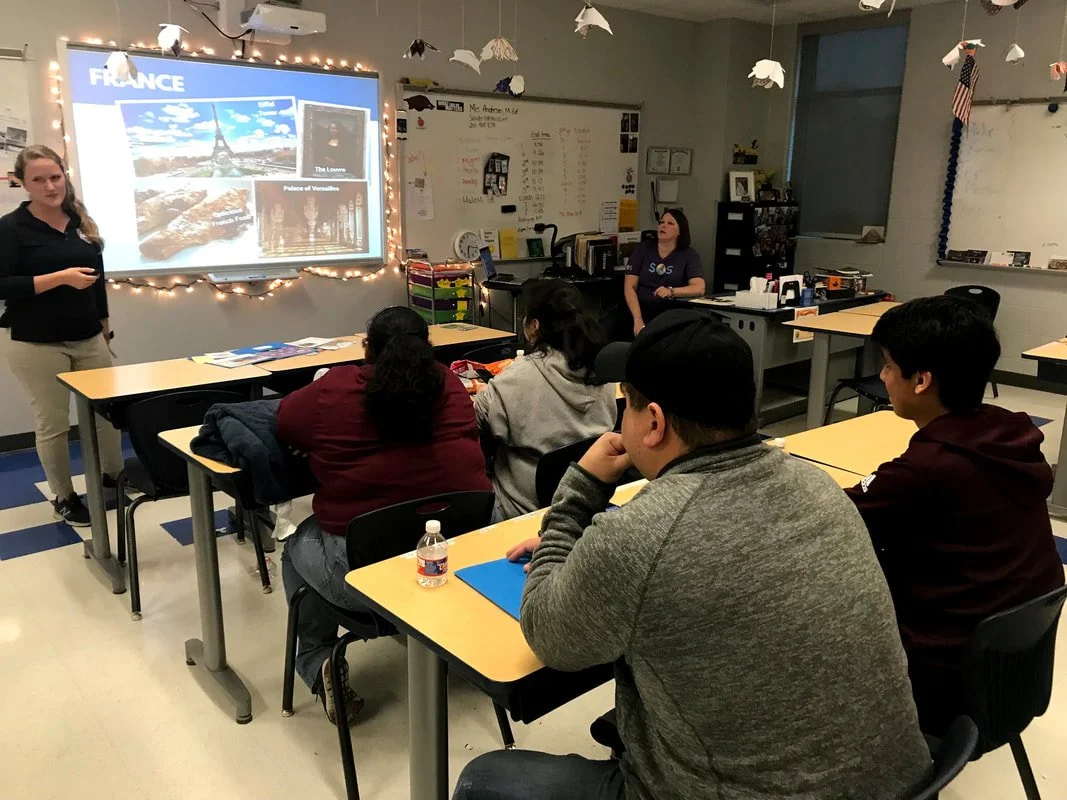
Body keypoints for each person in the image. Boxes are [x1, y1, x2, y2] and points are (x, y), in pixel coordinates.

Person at [455, 310, 930, 800]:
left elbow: (547, 632)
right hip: (902, 782)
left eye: (629, 406)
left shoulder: (641, 537)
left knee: (484, 778)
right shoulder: (819, 484)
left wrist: (580, 495)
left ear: (654, 422)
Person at [844, 295, 1064, 736]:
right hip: (1011, 681)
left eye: (888, 365)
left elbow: (834, 518)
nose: (883, 377)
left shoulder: (924, 471)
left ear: (921, 380)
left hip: (939, 691)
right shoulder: (1010, 433)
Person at [276, 306, 491, 724]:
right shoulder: (448, 382)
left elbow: (284, 424)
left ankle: (319, 663)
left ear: (367, 348)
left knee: (297, 543)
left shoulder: (333, 390)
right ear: (425, 346)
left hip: (364, 581)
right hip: (455, 565)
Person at [0, 144, 123, 527]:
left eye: (56, 176)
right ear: (22, 183)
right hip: (34, 341)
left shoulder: (79, 222)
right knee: (53, 423)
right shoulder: (10, 228)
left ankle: (113, 478)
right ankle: (65, 496)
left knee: (107, 413)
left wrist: (104, 325)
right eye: (39, 180)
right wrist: (59, 279)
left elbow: (97, 281)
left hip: (87, 336)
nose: (51, 186)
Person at [475, 279, 616, 520]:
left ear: (534, 326)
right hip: (588, 505)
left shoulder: (517, 377)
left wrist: (482, 391)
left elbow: (481, 420)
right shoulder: (601, 369)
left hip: (524, 512)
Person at [622, 209, 704, 338]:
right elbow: (629, 286)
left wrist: (672, 292)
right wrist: (637, 319)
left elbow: (699, 288)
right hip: (642, 310)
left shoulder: (689, 255)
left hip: (671, 313)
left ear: (680, 231)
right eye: (661, 222)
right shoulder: (643, 248)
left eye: (670, 223)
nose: (663, 225)